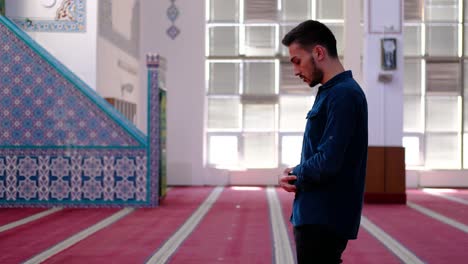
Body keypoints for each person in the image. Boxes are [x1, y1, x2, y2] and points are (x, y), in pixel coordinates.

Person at [278, 20, 368, 264]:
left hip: (324, 217)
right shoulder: (331, 92)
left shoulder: (343, 94)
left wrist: (295, 174)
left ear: (318, 52)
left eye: (297, 61)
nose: (296, 71)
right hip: (318, 212)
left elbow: (329, 159)